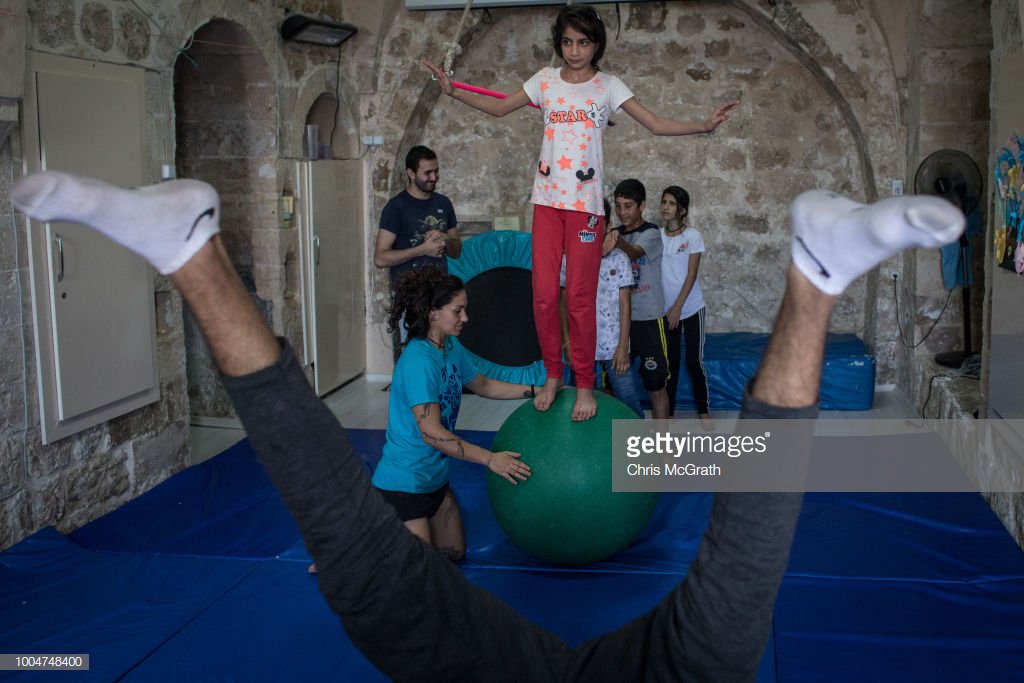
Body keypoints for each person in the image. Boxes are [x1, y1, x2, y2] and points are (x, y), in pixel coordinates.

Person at [10, 170, 964, 681]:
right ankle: (817, 268)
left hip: (450, 500)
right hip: (419, 467)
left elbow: (493, 397)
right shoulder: (429, 360)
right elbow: (442, 424)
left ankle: (188, 248)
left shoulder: (453, 353)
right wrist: (497, 454)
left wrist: (545, 393)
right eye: (461, 310)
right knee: (728, 613)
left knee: (371, 575)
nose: (470, 317)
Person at [422, 4, 739, 422]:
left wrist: (703, 125)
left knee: (581, 300)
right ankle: (554, 375)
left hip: (586, 209)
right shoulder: (545, 81)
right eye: (568, 42)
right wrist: (454, 90)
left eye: (583, 42)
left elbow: (656, 123)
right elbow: (500, 108)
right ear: (560, 44)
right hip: (548, 203)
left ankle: (585, 383)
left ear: (596, 44)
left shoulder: (607, 86)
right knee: (542, 296)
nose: (574, 50)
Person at [371, 266, 534, 562]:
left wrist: (536, 390)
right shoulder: (419, 361)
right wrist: (490, 459)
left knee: (453, 555)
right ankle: (360, 546)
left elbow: (483, 385)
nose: (465, 318)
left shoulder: (449, 347)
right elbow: (432, 433)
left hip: (435, 480)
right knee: (422, 575)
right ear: (433, 313)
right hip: (403, 486)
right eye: (458, 311)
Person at [373, 145, 462, 359]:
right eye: (427, 173)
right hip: (411, 296)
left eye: (436, 171)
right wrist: (422, 250)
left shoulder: (443, 203)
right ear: (411, 174)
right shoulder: (396, 208)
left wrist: (445, 239)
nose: (434, 177)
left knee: (442, 351)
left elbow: (456, 250)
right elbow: (381, 258)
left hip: (440, 295)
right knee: (414, 351)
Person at [559, 200, 643, 417]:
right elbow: (563, 302)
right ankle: (589, 448)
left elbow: (625, 304)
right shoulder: (570, 259)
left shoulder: (619, 259)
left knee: (628, 400)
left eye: (596, 225)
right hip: (582, 346)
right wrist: (567, 342)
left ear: (607, 226)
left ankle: (640, 445)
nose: (590, 231)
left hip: (614, 345)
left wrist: (623, 346)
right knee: (585, 403)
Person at [611, 179, 672, 420]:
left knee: (655, 386)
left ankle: (662, 449)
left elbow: (633, 253)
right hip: (619, 322)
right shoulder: (614, 234)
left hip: (649, 319)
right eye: (618, 206)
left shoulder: (651, 233)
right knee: (613, 383)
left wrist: (614, 239)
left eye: (628, 206)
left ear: (642, 206)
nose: (622, 212)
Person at [660, 186, 711, 425]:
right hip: (666, 311)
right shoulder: (657, 237)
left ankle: (703, 410)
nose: (665, 207)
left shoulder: (693, 236)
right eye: (664, 202)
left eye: (671, 203)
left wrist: (678, 307)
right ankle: (668, 413)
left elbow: (691, 275)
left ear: (682, 209)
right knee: (670, 362)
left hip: (690, 308)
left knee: (693, 361)